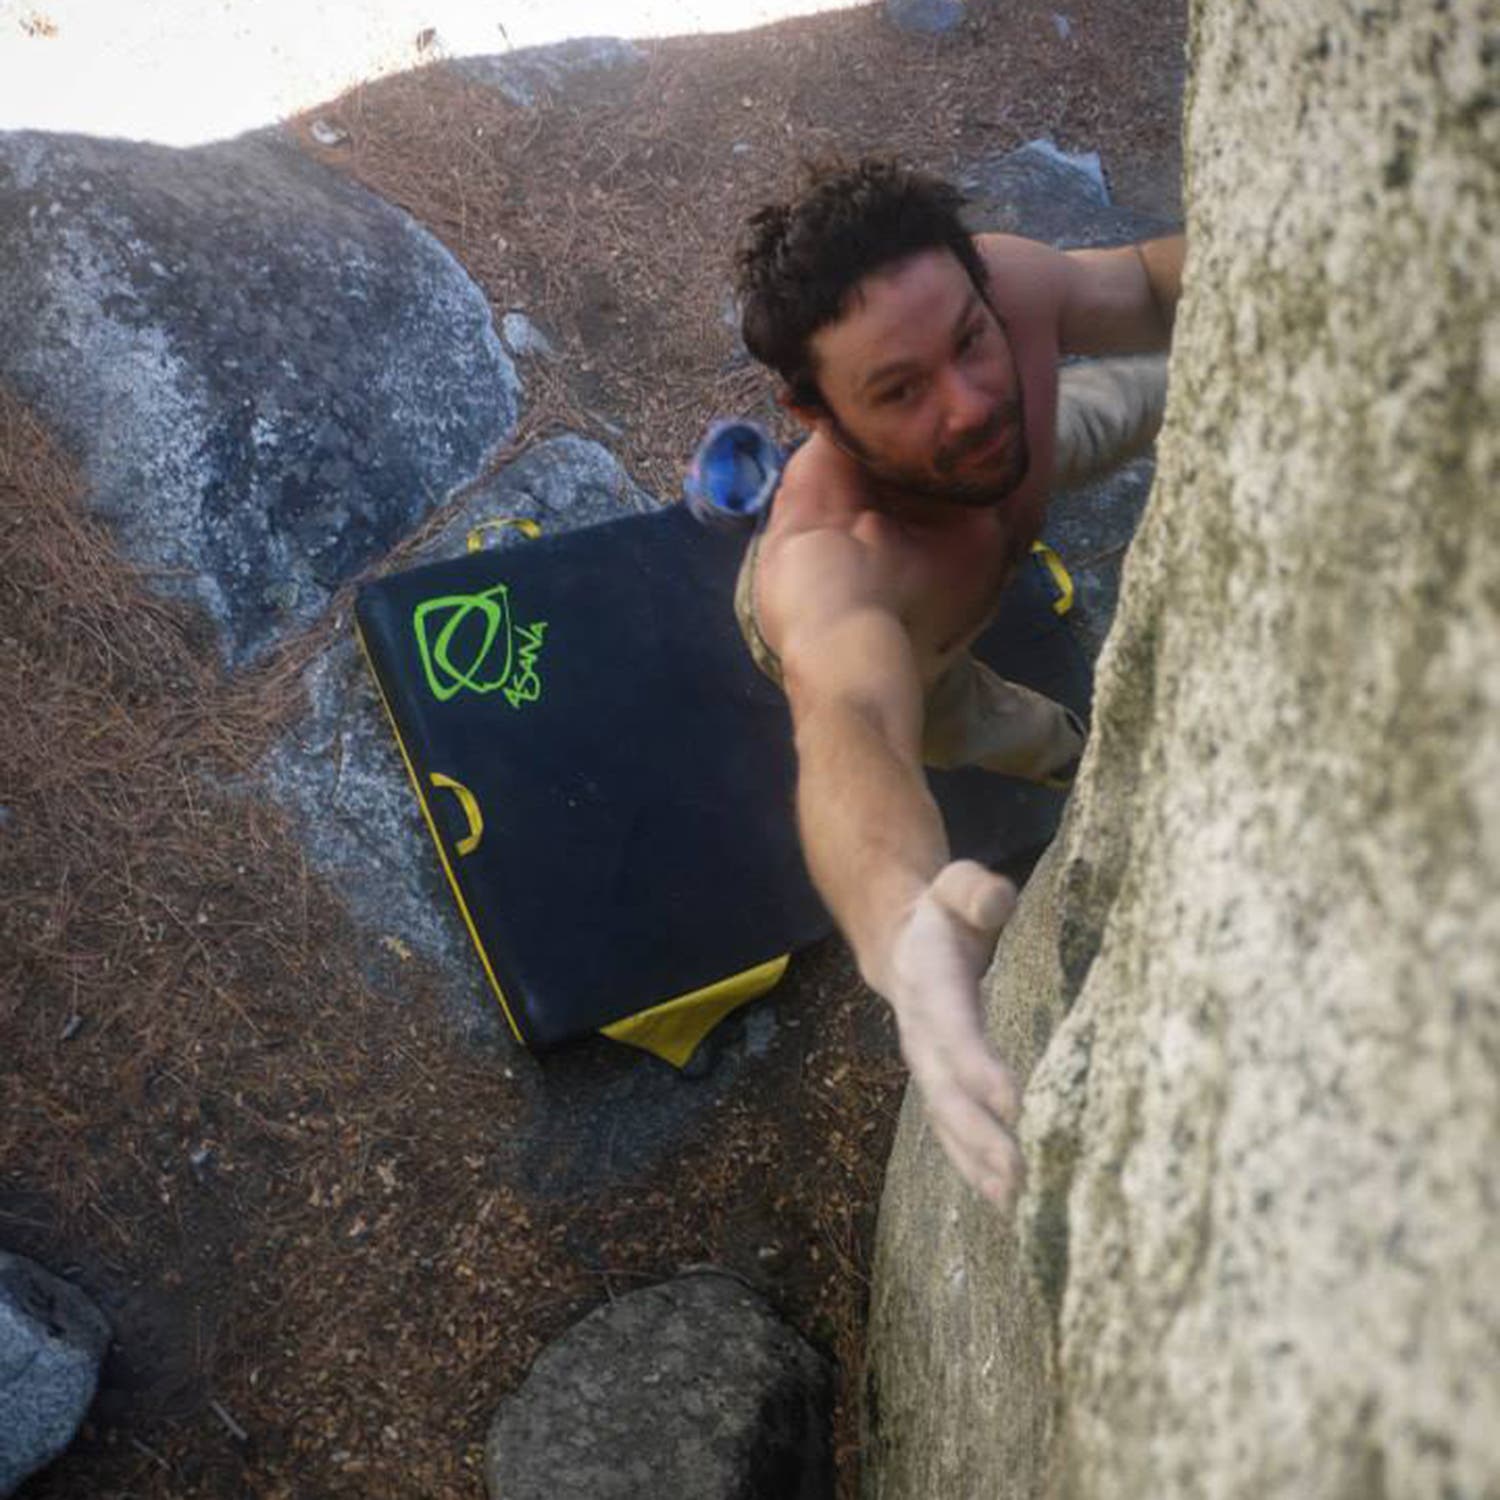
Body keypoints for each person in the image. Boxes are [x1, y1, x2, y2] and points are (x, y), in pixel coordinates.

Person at [732, 158, 1183, 1211]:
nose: (969, 400)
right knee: (999, 723)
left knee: (1159, 380)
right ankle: (1080, 754)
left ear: (982, 287)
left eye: (969, 340)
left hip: (1026, 466)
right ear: (813, 412)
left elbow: (1159, 290)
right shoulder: (837, 562)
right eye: (898, 390)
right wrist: (899, 922)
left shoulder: (1013, 303)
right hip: (924, 658)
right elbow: (851, 722)